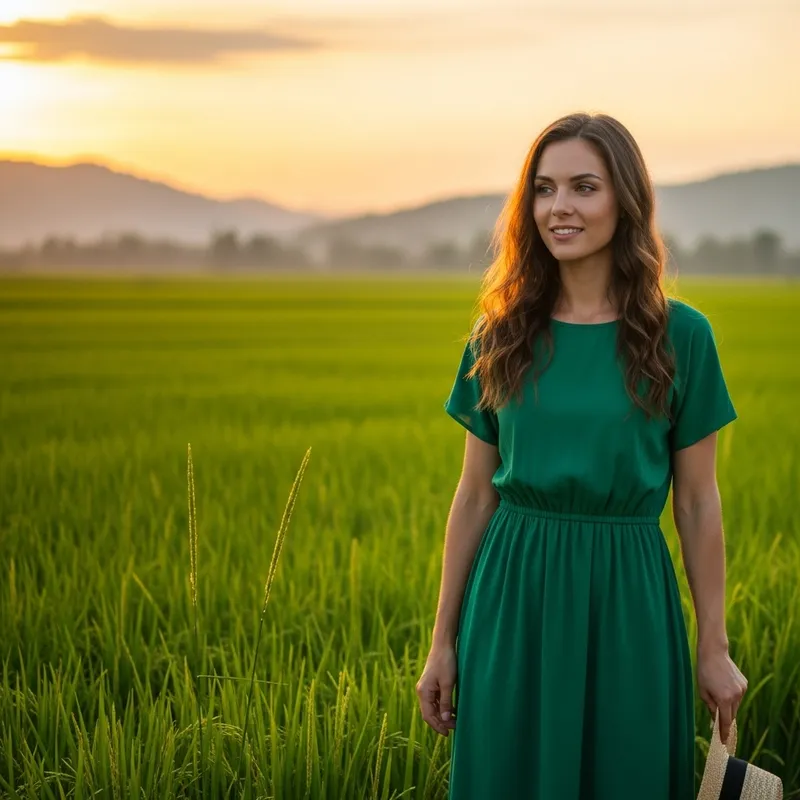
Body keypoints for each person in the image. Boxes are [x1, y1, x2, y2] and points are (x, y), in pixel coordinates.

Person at [415, 112, 748, 799]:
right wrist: (442, 638)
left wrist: (712, 645)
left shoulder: (682, 336)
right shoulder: (500, 335)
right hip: (512, 597)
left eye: (583, 187)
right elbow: (475, 495)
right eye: (543, 189)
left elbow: (695, 500)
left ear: (625, 200)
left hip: (629, 599)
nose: (559, 207)